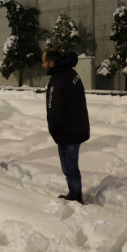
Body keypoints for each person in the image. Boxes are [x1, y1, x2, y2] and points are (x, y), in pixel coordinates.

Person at [42, 48, 90, 205]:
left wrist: (53, 130)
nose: (42, 65)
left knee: (70, 167)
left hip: (68, 132)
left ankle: (76, 197)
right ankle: (74, 193)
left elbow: (53, 110)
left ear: (52, 62)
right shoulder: (71, 73)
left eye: (44, 62)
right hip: (75, 128)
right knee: (70, 166)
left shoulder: (57, 80)